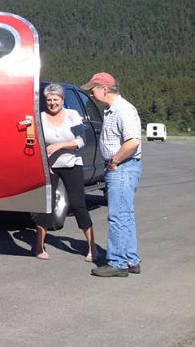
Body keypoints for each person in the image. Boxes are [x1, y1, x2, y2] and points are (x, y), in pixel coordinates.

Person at [82, 72, 142, 278]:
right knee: (125, 215)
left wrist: (115, 161)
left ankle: (117, 262)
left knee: (117, 215)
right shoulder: (111, 110)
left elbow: (133, 141)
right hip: (122, 167)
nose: (91, 93)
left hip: (122, 167)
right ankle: (131, 259)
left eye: (93, 88)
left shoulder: (122, 109)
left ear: (105, 89)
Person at [33, 83, 96, 261]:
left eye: (56, 99)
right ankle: (38, 247)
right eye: (49, 100)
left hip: (71, 164)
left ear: (62, 100)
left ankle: (91, 247)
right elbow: (35, 143)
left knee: (78, 205)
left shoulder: (72, 115)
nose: (52, 103)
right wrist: (44, 160)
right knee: (45, 206)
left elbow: (81, 140)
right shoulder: (41, 118)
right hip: (50, 168)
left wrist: (60, 145)